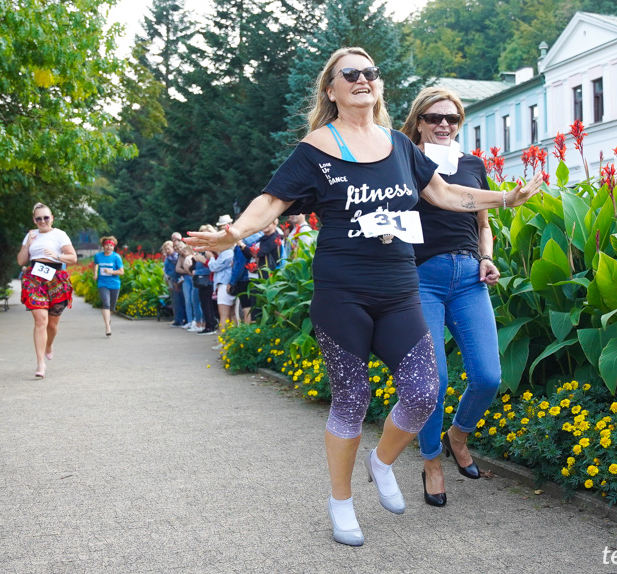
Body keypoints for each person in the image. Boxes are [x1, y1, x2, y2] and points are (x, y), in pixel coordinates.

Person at [185, 47, 542, 547]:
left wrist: (503, 198)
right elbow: (271, 202)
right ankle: (341, 501)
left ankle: (382, 461)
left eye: (370, 73)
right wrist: (235, 233)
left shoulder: (399, 145)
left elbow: (443, 194)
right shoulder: (315, 148)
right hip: (342, 292)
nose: (362, 79)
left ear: (379, 86)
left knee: (422, 392)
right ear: (330, 90)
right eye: (349, 74)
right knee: (352, 399)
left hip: (399, 290)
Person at [400, 87, 503, 507]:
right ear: (419, 122)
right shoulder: (404, 164)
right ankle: (431, 462)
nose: (444, 124)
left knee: (487, 377)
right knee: (433, 380)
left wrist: (488, 257)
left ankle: (457, 435)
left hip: (468, 277)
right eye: (434, 117)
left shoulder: (473, 165)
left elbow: (484, 224)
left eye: (452, 118)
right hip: (421, 279)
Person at [17, 203, 76, 378]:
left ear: (52, 218)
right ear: (34, 220)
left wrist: (56, 255)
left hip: (56, 278)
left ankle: (49, 344)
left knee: (52, 325)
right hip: (35, 278)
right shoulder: (31, 235)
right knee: (40, 320)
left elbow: (72, 258)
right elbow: (21, 261)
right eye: (38, 218)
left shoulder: (59, 234)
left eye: (46, 217)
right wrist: (27, 244)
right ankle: (40, 363)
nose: (42, 221)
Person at [93, 236, 124, 337]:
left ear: (114, 247)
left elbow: (121, 272)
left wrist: (111, 271)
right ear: (103, 246)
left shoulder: (116, 257)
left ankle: (108, 320)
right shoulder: (98, 256)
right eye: (107, 245)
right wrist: (95, 274)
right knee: (106, 304)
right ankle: (108, 327)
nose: (108, 247)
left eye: (111, 245)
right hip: (102, 284)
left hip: (115, 284)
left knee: (111, 307)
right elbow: (95, 264)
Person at [191, 225, 218, 335]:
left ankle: (211, 325)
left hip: (208, 280)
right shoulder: (202, 250)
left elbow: (210, 267)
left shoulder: (210, 250)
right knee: (204, 304)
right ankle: (209, 324)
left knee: (208, 304)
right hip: (203, 282)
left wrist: (197, 272)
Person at [161, 240, 185, 327]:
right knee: (176, 302)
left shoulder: (177, 257)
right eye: (165, 249)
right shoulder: (167, 259)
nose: (167, 251)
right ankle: (178, 319)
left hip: (182, 280)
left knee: (182, 301)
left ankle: (183, 319)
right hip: (174, 281)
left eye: (168, 248)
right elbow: (168, 271)